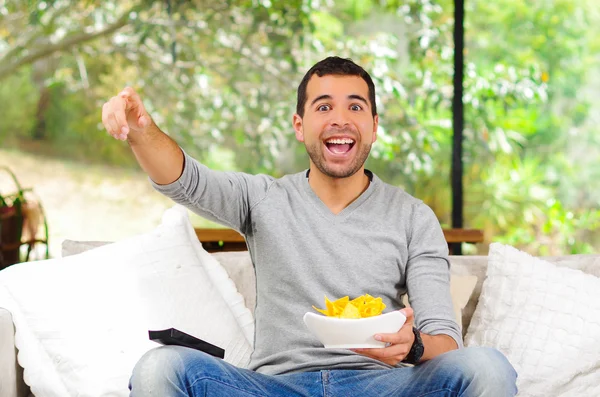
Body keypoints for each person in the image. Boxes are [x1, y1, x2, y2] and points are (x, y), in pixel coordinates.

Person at [102, 56, 517, 396]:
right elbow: (185, 179)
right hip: (277, 389)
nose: (340, 119)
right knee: (161, 368)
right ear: (300, 126)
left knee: (488, 367)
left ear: (374, 127)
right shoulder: (261, 198)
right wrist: (141, 131)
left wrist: (414, 346)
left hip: (384, 388)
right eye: (323, 107)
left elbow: (446, 340)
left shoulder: (412, 216)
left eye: (355, 106)